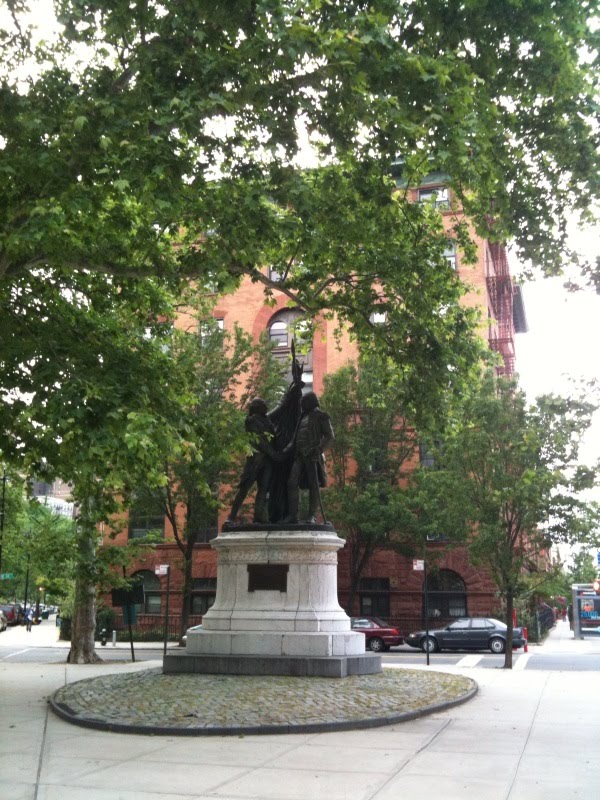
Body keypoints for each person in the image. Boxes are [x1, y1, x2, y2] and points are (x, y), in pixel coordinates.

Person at [226, 398, 285, 524]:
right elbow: (260, 441)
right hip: (255, 461)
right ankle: (231, 516)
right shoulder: (251, 420)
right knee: (244, 489)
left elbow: (273, 439)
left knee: (263, 489)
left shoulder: (267, 421)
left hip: (267, 462)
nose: (266, 406)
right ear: (257, 407)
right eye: (263, 404)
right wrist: (274, 454)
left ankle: (258, 516)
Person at [284, 391, 334, 524]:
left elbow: (330, 437)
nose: (301, 405)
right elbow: (295, 438)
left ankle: (311, 516)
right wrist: (286, 450)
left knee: (314, 485)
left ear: (310, 402)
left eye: (303, 403)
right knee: (292, 482)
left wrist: (318, 449)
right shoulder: (301, 417)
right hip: (299, 455)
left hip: (312, 456)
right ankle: (293, 515)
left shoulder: (322, 416)